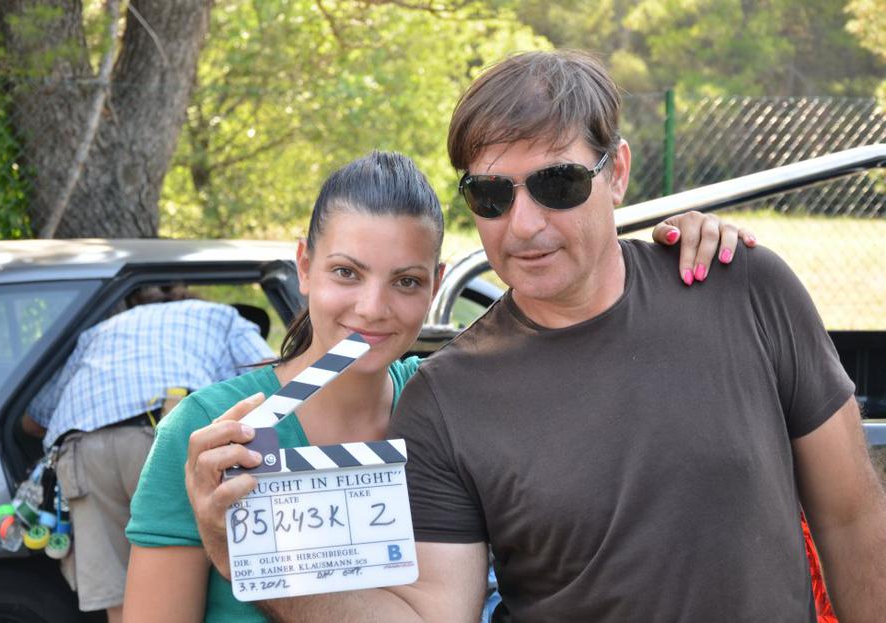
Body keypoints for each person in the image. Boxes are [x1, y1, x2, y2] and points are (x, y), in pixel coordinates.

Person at [204, 52, 883, 621]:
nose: (523, 224)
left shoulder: (743, 288)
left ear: (616, 173)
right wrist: (252, 561)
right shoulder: (445, 399)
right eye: (491, 195)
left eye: (557, 184)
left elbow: (851, 518)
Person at [123, 150, 750, 622]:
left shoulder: (453, 410)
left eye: (406, 282)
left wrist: (680, 252)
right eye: (346, 273)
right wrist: (224, 538)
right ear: (305, 266)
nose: (372, 308)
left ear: (436, 282)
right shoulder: (208, 437)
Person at [24, 286, 273, 622]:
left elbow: (35, 417)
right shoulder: (223, 316)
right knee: (182, 574)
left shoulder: (98, 331)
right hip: (165, 436)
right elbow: (270, 380)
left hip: (83, 447)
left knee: (119, 596)